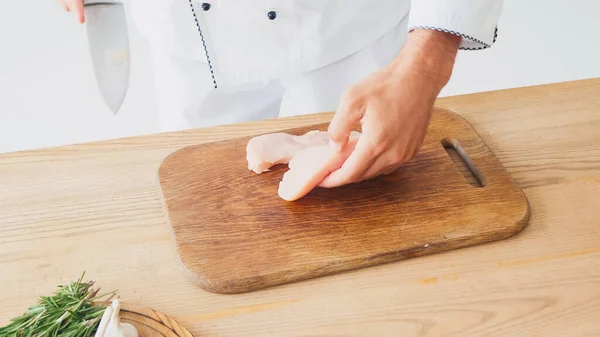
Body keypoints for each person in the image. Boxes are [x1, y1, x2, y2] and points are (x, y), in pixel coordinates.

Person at [60, 0, 502, 187]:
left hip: (347, 24)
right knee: (202, 199)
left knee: (375, 193)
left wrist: (424, 65)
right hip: (189, 36)